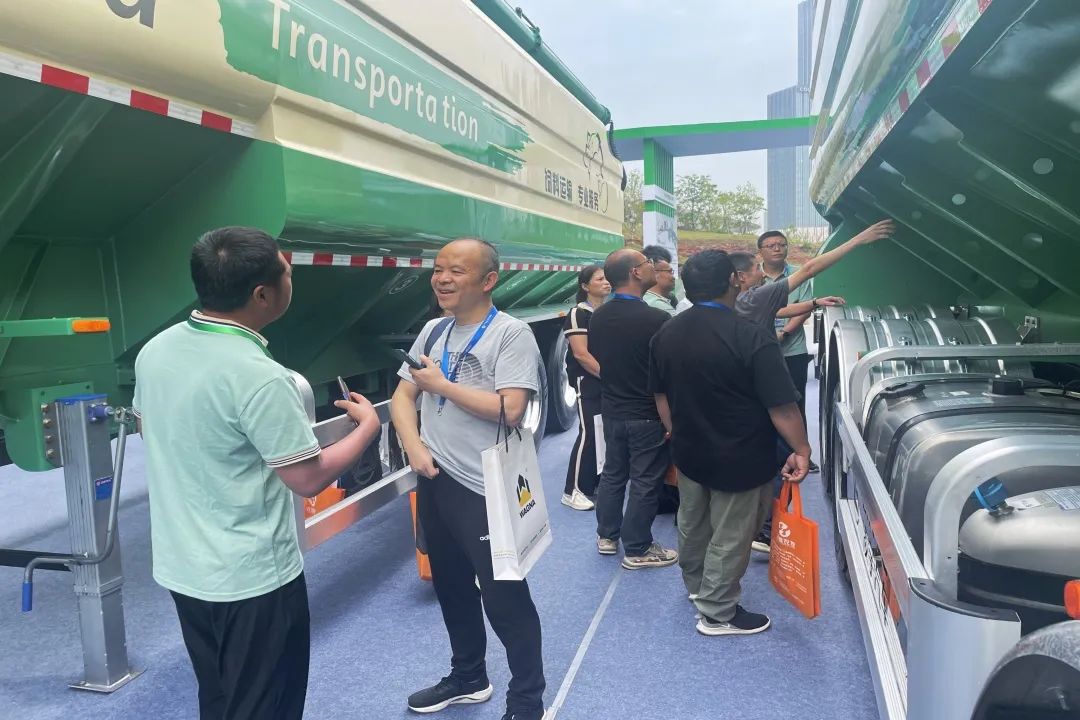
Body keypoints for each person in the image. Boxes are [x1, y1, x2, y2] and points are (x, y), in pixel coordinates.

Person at [133, 227, 382, 720]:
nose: (292, 279)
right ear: (262, 295)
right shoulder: (260, 377)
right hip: (253, 580)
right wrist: (368, 428)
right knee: (265, 705)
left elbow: (149, 427)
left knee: (219, 695)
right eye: (287, 273)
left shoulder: (156, 349)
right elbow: (307, 478)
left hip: (184, 568)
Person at [390, 238, 546, 720]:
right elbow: (402, 396)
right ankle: (469, 677)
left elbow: (511, 409)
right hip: (436, 480)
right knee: (451, 585)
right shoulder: (434, 331)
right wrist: (414, 446)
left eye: (456, 271)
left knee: (505, 598)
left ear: (488, 280)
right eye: (438, 269)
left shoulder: (511, 334)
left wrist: (442, 386)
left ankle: (527, 701)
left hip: (486, 488)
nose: (442, 279)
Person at [649, 249, 811, 637]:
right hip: (741, 454)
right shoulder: (750, 336)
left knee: (693, 522)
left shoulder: (666, 333)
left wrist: (676, 431)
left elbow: (660, 395)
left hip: (689, 450)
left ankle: (697, 587)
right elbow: (781, 406)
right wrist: (802, 450)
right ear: (733, 281)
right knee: (733, 531)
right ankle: (718, 611)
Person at [588, 248, 679, 569]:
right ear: (635, 273)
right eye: (647, 264)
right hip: (647, 414)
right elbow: (668, 371)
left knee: (613, 474)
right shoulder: (657, 320)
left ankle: (607, 535)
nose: (653, 267)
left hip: (612, 410)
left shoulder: (598, 317)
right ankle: (638, 547)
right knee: (645, 480)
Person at [562, 264, 610, 511]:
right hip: (588, 381)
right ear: (585, 285)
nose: (605, 282)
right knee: (588, 433)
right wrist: (609, 376)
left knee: (602, 434)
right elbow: (581, 354)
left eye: (607, 278)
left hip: (605, 382)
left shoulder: (606, 312)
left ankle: (591, 483)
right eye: (599, 279)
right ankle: (572, 491)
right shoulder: (578, 313)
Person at [642, 245, 677, 314]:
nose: (673, 277)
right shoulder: (659, 305)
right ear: (654, 272)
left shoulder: (640, 298)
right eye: (669, 271)